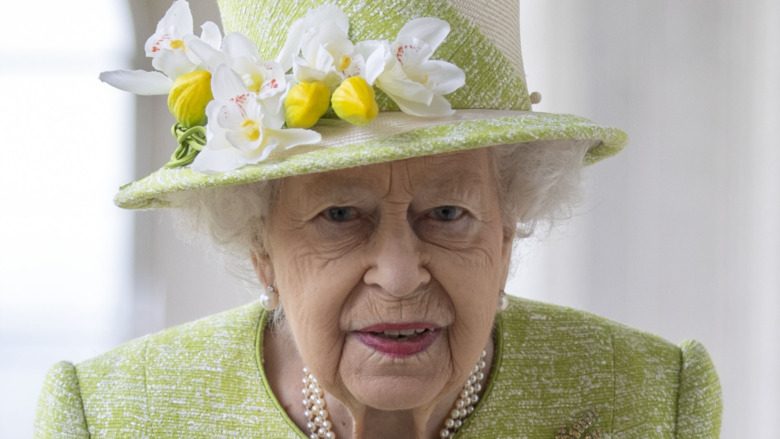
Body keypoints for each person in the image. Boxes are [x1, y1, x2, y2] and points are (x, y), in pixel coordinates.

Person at [35, 0, 722, 437]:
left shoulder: (650, 400)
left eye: (448, 212)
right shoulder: (116, 417)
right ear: (260, 250)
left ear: (507, 231)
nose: (398, 274)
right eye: (339, 214)